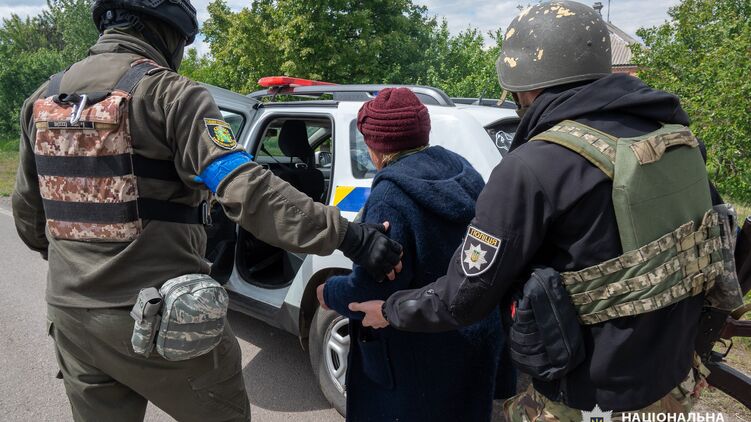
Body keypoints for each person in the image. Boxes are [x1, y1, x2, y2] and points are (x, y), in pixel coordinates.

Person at [11, 1, 401, 421]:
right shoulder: (171, 95)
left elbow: (29, 217)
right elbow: (246, 190)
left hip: (71, 318)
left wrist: (81, 264)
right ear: (166, 32)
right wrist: (350, 236)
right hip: (158, 316)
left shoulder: (41, 99)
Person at [350, 1, 730, 419]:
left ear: (523, 83)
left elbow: (464, 297)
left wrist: (390, 310)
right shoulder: (677, 140)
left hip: (590, 398)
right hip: (675, 380)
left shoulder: (533, 167)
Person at [317, 87, 505, 422]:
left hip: (417, 362)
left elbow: (370, 290)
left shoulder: (391, 196)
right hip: (472, 339)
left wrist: (329, 292)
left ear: (376, 145)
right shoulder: (460, 168)